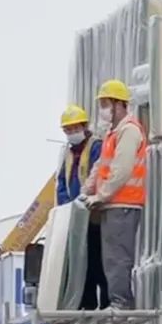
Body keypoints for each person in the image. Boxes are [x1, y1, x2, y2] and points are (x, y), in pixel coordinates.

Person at [82, 79, 147, 310]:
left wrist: (102, 195)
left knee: (118, 257)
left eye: (105, 104)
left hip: (124, 204)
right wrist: (87, 190)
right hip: (113, 204)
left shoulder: (129, 131)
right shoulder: (113, 133)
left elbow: (122, 168)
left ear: (119, 104)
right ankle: (117, 300)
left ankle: (121, 302)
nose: (103, 110)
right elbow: (100, 166)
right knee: (110, 258)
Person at [57, 104, 109, 310]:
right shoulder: (69, 154)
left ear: (84, 126)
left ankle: (106, 303)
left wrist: (86, 199)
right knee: (81, 263)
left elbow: (99, 174)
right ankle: (86, 303)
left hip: (94, 213)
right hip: (76, 216)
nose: (71, 133)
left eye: (74, 129)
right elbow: (62, 182)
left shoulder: (95, 146)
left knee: (99, 260)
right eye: (67, 130)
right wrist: (66, 206)